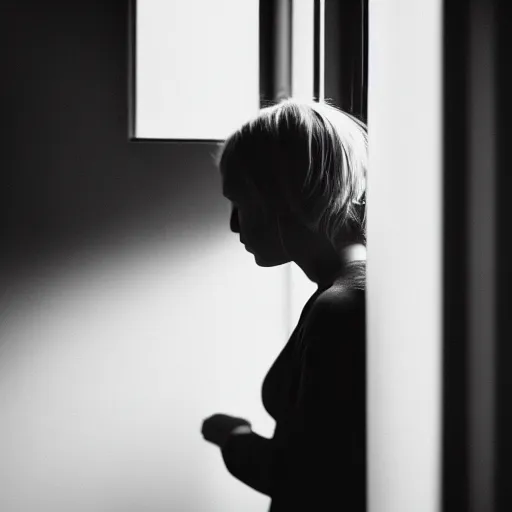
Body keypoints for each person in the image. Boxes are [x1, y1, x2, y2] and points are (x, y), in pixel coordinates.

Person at [201, 98, 367, 511]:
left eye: (240, 201)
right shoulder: (349, 292)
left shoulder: (341, 307)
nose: (234, 223)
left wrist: (232, 436)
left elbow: (304, 478)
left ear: (284, 194)